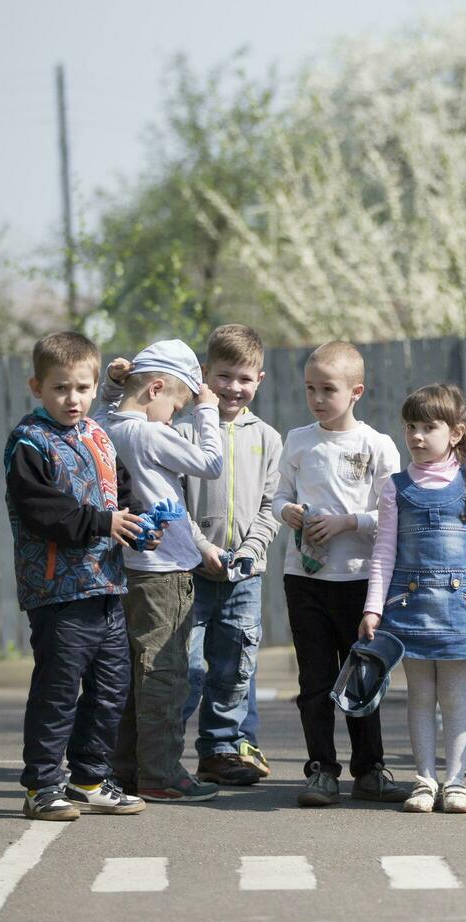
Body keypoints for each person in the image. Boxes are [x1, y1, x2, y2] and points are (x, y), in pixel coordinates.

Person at [7, 332, 149, 820]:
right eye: (61, 388)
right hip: (58, 591)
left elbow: (121, 496)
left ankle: (89, 777)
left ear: (95, 388)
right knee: (58, 691)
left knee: (112, 688)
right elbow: (42, 511)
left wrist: (138, 528)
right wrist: (102, 522)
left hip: (107, 585)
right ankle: (42, 786)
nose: (73, 399)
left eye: (83, 388)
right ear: (37, 387)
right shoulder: (29, 442)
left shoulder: (99, 436)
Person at [274, 341, 408, 807]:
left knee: (363, 678)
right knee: (314, 681)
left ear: (356, 391)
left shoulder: (377, 445)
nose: (316, 398)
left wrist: (350, 521)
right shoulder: (297, 440)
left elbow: (390, 513)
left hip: (360, 582)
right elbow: (277, 497)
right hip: (305, 580)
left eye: (327, 389)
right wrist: (288, 511)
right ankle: (321, 770)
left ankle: (370, 770)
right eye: (310, 388)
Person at [362, 384, 466, 814]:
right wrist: (372, 607)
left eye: (429, 427)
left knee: (456, 694)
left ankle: (457, 781)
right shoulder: (394, 488)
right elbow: (383, 552)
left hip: (459, 609)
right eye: (411, 427)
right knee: (420, 695)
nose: (418, 436)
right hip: (409, 608)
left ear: (456, 432)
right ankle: (424, 779)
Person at [103, 339, 225, 802]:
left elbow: (109, 405)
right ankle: (160, 773)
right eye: (176, 405)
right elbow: (211, 463)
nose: (177, 416)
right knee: (164, 673)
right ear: (156, 388)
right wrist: (207, 409)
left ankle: (128, 767)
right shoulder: (152, 434)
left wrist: (113, 387)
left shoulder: (107, 425)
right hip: (163, 570)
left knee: (134, 671)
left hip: (127, 569)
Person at [173, 324, 282, 787]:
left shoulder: (268, 439)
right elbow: (173, 501)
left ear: (260, 379)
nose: (233, 388)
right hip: (190, 572)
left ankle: (220, 749)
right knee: (186, 666)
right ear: (204, 373)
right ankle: (159, 752)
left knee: (235, 664)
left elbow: (271, 505)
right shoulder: (181, 430)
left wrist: (252, 550)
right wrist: (201, 548)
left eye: (244, 378)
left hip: (244, 576)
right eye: (224, 376)